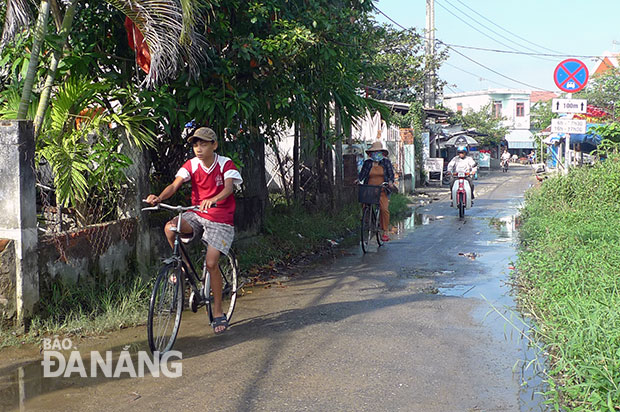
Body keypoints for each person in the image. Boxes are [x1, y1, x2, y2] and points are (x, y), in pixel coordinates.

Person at [146, 126, 243, 334]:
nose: (198, 148)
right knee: (171, 228)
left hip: (221, 219)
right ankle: (182, 269)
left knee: (211, 263)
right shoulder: (191, 165)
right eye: (195, 144)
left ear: (214, 145)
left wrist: (214, 199)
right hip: (196, 214)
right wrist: (159, 198)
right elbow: (175, 185)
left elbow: (228, 188)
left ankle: (217, 311)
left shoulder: (225, 164)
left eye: (203, 144)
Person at [357, 141, 396, 242]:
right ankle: (368, 220)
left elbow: (391, 175)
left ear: (382, 153)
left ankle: (385, 231)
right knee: (364, 204)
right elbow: (363, 174)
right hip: (369, 189)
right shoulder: (367, 163)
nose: (376, 154)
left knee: (384, 209)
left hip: (382, 189)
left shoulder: (386, 162)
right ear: (371, 154)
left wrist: (390, 182)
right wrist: (358, 180)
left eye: (378, 152)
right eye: (374, 152)